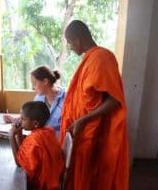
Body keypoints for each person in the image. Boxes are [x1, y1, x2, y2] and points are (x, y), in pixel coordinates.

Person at [60, 20, 129, 190]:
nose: (70, 47)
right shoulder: (90, 58)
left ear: (77, 39)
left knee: (87, 175)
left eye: (69, 43)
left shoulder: (102, 57)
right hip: (80, 127)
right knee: (75, 174)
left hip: (89, 129)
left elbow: (114, 100)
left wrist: (83, 120)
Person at [9, 101, 65, 190]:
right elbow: (23, 151)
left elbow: (19, 163)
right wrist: (19, 132)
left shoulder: (34, 139)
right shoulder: (48, 131)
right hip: (54, 179)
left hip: (41, 185)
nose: (20, 121)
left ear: (35, 124)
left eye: (23, 119)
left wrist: (11, 136)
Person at [4, 66, 65, 136]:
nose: (33, 88)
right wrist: (14, 119)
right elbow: (33, 118)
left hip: (57, 143)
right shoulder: (38, 98)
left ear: (45, 81)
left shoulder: (66, 99)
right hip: (40, 139)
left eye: (34, 84)